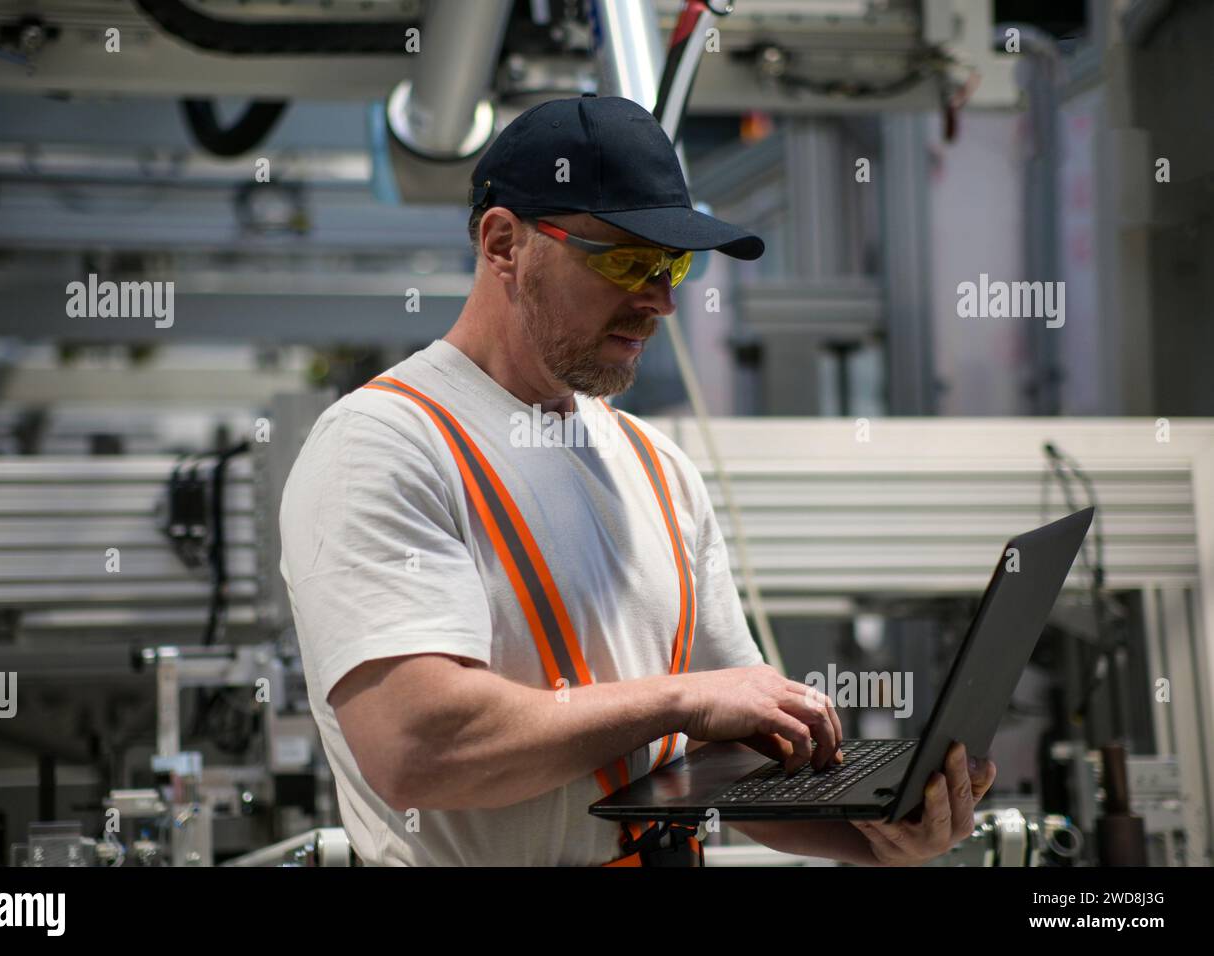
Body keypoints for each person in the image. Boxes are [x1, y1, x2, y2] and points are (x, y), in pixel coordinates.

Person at [279, 94, 996, 866]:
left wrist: (872, 831)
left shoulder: (658, 468)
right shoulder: (385, 445)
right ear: (502, 244)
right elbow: (420, 746)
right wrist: (681, 700)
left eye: (672, 265)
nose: (660, 300)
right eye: (626, 260)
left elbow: (726, 755)